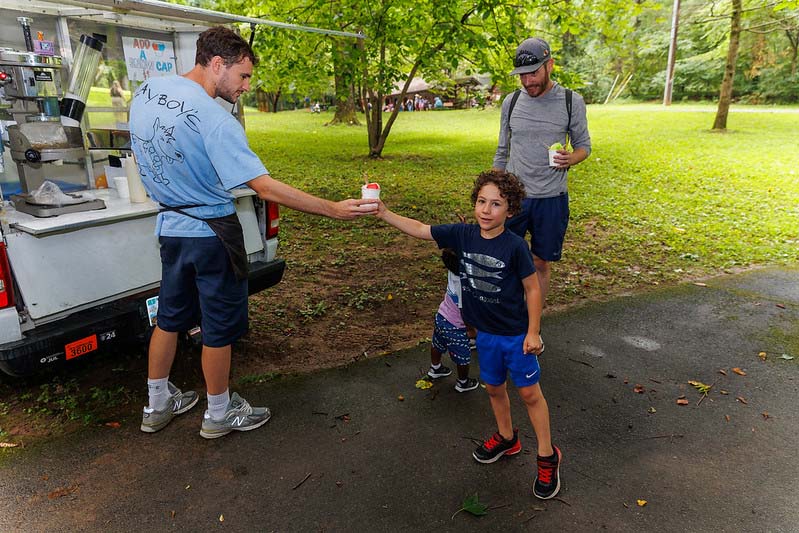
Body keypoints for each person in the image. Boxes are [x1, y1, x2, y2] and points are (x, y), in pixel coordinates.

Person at [129, 26, 376, 439]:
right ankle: (219, 413)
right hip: (212, 236)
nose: (246, 86)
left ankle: (155, 405)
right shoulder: (215, 119)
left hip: (171, 228)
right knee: (218, 328)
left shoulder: (146, 93)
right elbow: (263, 186)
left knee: (169, 319)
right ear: (217, 63)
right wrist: (331, 208)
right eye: (242, 76)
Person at [376, 169, 562, 500]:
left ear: (510, 210)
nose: (486, 210)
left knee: (530, 395)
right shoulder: (463, 235)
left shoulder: (515, 246)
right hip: (485, 336)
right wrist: (385, 212)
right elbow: (420, 230)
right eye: (481, 201)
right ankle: (508, 437)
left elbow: (532, 289)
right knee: (493, 389)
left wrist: (533, 331)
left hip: (516, 336)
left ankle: (548, 456)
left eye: (496, 204)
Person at [493, 37, 591, 307]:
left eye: (533, 73)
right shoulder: (511, 103)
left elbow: (584, 147)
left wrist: (572, 158)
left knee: (539, 262)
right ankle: (502, 319)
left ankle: (532, 322)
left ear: (550, 65)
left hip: (551, 198)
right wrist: (491, 193)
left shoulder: (572, 101)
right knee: (503, 258)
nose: (527, 82)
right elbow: (503, 150)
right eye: (522, 76)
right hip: (513, 196)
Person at [426, 247, 479, 393]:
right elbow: (464, 312)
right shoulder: (463, 285)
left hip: (441, 316)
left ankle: (435, 368)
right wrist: (471, 330)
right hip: (456, 326)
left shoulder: (452, 271)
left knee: (437, 344)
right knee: (463, 356)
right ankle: (463, 382)